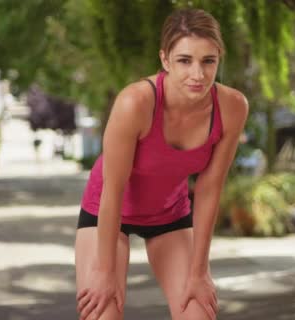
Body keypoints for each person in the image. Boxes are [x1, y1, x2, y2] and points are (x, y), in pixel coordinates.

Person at [74, 8, 249, 320]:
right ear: (165, 60)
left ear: (219, 58)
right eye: (185, 60)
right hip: (109, 213)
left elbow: (209, 189)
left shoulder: (232, 107)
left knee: (198, 314)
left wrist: (199, 272)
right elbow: (112, 191)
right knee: (103, 314)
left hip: (169, 214)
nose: (198, 74)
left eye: (208, 61)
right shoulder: (135, 103)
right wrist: (104, 272)